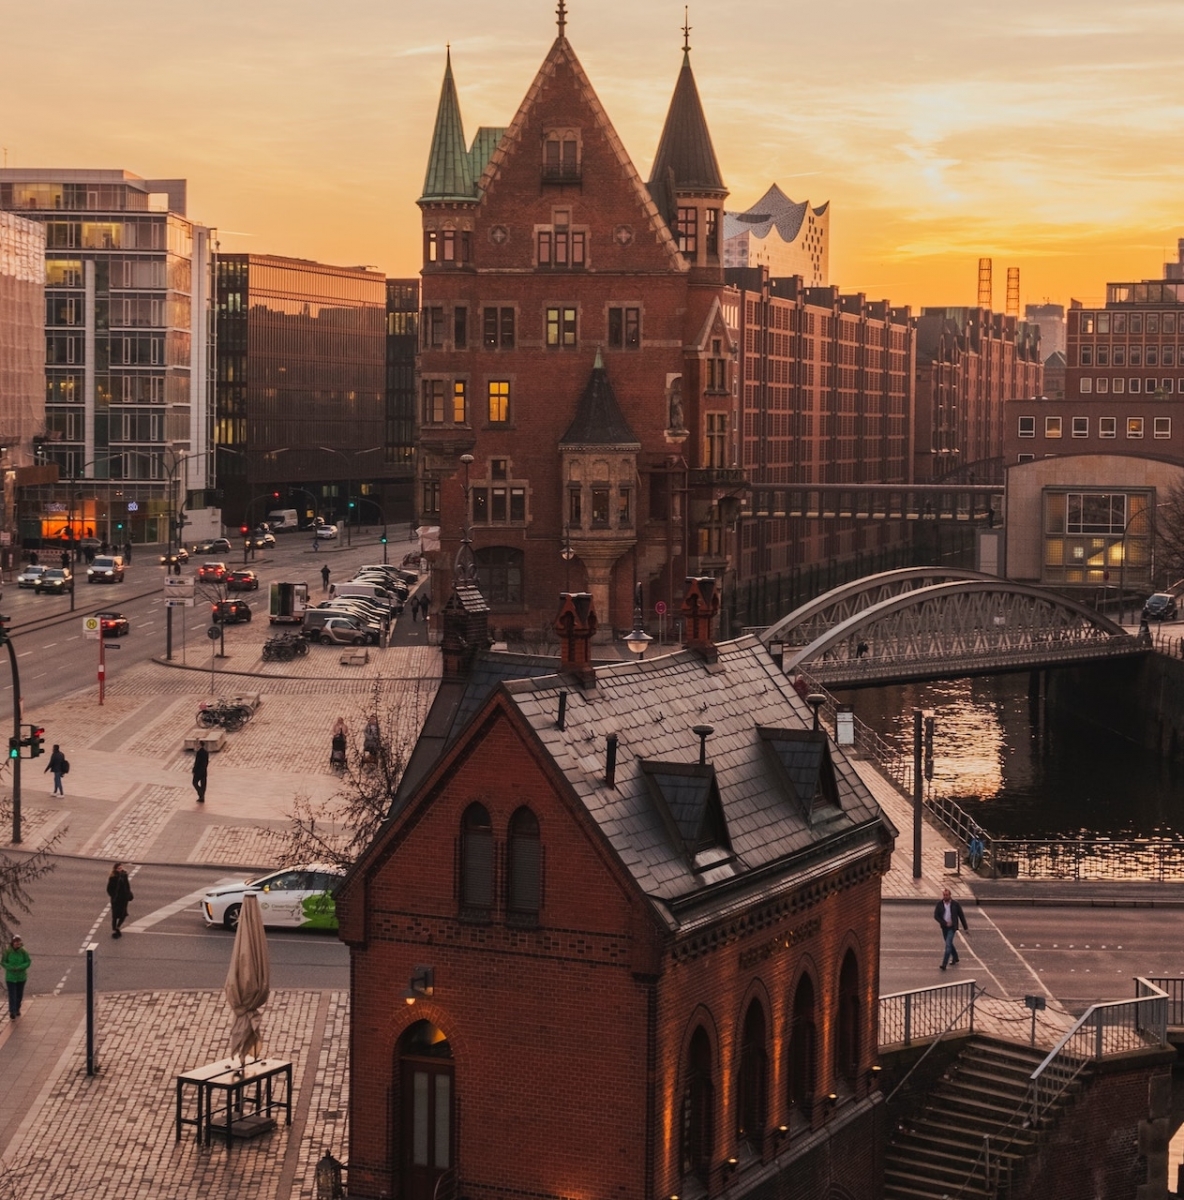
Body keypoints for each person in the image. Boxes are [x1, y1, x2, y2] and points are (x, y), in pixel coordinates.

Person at [934, 887, 968, 970]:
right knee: (949, 943)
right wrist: (944, 923)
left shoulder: (955, 904)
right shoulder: (940, 904)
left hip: (952, 928)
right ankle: (955, 957)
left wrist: (965, 927)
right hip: (944, 927)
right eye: (944, 895)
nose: (945, 897)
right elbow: (936, 916)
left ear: (950, 895)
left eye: (947, 895)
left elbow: (961, 915)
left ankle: (944, 964)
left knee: (948, 944)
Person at [3, 935, 30, 1019]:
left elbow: (28, 962)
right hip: (10, 977)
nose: (17, 943)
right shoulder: (7, 951)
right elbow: (3, 962)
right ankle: (12, 1011)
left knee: (19, 994)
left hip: (21, 977)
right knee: (12, 994)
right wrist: (10, 967)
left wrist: (20, 967)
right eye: (16, 941)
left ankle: (17, 1008)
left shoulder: (23, 951)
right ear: (13, 942)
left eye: (19, 942)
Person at [107, 863, 133, 938]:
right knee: (115, 915)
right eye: (118, 868)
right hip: (116, 899)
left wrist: (129, 894)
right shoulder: (113, 877)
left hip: (124, 899)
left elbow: (127, 886)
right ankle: (114, 928)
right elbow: (109, 889)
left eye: (121, 868)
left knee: (123, 914)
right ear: (115, 869)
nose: (120, 869)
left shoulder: (124, 875)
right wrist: (114, 896)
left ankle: (117, 927)